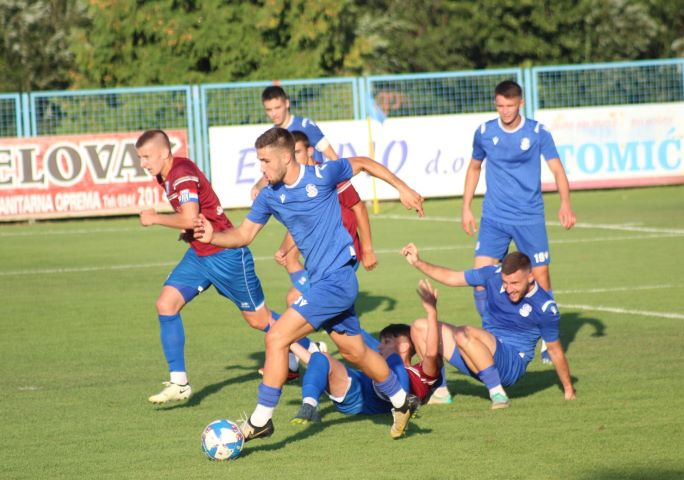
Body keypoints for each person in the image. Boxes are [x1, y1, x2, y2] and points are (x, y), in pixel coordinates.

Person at [193, 127, 424, 441]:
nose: (261, 168)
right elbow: (244, 235)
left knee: (276, 337)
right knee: (354, 351)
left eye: (265, 160)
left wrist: (403, 188)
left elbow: (365, 163)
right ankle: (401, 400)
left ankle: (261, 420)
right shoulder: (270, 196)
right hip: (320, 282)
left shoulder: (322, 175)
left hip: (338, 280)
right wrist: (214, 237)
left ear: (286, 157)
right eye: (258, 161)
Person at [135, 129, 307, 404]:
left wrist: (156, 218)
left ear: (165, 153)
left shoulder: (180, 172)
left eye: (146, 156)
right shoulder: (164, 174)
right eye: (140, 157)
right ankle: (179, 383)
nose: (143, 163)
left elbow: (191, 217)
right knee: (166, 304)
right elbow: (195, 216)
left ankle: (307, 346)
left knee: (259, 320)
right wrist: (187, 232)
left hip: (226, 254)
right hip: (199, 254)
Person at [460, 80, 576, 363]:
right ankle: (494, 332)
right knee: (479, 280)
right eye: (500, 105)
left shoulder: (537, 132)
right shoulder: (485, 132)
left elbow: (558, 170)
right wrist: (466, 207)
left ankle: (549, 342)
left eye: (510, 105)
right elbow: (474, 168)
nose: (505, 111)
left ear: (520, 103)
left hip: (529, 217)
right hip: (494, 217)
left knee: (541, 276)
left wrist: (565, 203)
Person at [402, 243, 576, 408]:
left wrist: (568, 389)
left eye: (515, 283)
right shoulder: (492, 274)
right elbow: (452, 277)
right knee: (419, 327)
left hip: (511, 364)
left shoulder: (545, 307)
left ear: (530, 277)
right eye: (505, 282)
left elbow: (554, 349)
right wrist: (418, 262)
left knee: (464, 333)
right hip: (479, 353)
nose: (509, 289)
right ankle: (439, 390)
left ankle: (498, 394)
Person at [289, 279, 442, 425]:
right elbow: (357, 333)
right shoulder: (381, 359)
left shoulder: (421, 374)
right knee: (321, 357)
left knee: (392, 361)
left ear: (404, 346)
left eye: (386, 342)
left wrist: (432, 312)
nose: (380, 347)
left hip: (372, 398)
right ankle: (309, 404)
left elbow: (431, 353)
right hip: (356, 388)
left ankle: (404, 404)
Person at [275, 130, 377, 310]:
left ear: (310, 151)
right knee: (290, 258)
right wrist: (284, 249)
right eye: (291, 154)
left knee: (294, 299)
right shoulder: (297, 183)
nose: (294, 158)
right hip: (322, 253)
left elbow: (359, 208)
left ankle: (313, 320)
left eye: (298, 152)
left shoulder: (328, 175)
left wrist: (368, 250)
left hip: (343, 252)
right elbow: (301, 222)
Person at [251, 86, 339, 200]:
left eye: (277, 108)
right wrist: (258, 186)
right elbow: (273, 169)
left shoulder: (306, 126)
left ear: (287, 103)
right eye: (269, 110)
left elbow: (333, 157)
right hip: (293, 195)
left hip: (315, 190)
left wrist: (339, 187)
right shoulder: (273, 136)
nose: (274, 114)